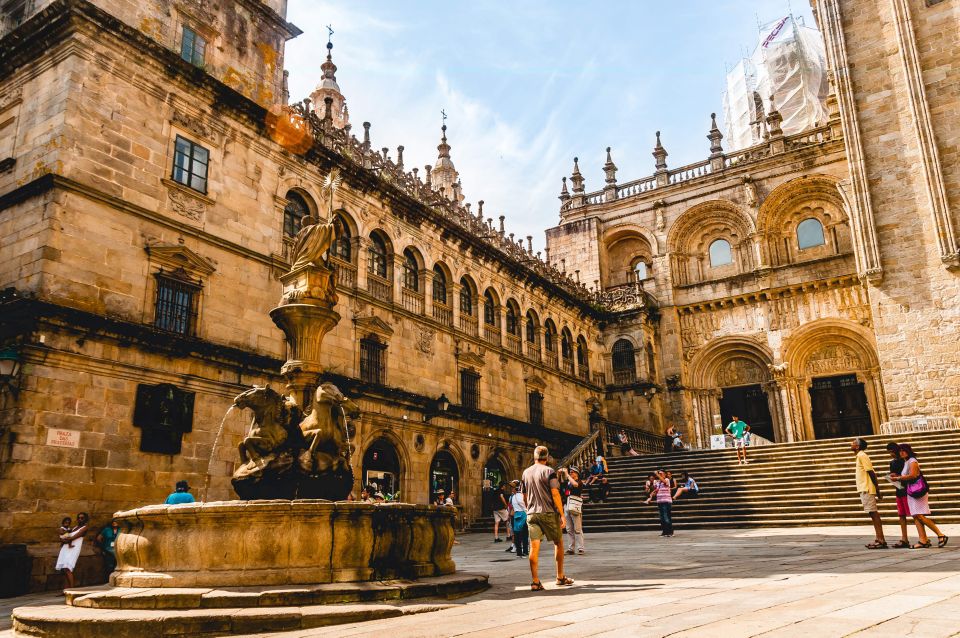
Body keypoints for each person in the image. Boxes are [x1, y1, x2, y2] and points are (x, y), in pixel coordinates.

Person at [521, 445, 573, 591]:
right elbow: (555, 493)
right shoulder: (549, 471)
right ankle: (560, 576)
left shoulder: (526, 472)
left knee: (534, 547)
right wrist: (562, 514)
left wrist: (528, 508)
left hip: (531, 514)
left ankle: (535, 581)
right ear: (547, 457)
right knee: (558, 542)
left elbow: (524, 495)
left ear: (535, 456)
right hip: (548, 512)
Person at [894, 443, 948, 549]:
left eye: (903, 450)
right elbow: (907, 476)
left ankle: (941, 535)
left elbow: (913, 475)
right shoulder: (906, 462)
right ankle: (923, 540)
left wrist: (899, 478)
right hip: (911, 491)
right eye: (900, 450)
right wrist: (897, 476)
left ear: (909, 451)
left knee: (919, 516)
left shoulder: (912, 461)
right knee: (915, 516)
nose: (901, 452)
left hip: (918, 491)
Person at [852, 438, 886, 549]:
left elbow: (871, 472)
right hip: (863, 488)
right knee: (872, 513)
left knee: (874, 513)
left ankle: (881, 540)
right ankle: (878, 538)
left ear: (857, 446)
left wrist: (878, 489)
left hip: (867, 488)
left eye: (853, 443)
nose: (850, 444)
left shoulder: (862, 455)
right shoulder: (859, 456)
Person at [886, 442, 911, 548]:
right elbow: (893, 475)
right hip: (899, 490)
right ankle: (904, 538)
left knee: (915, 515)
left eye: (892, 451)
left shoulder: (904, 461)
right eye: (889, 452)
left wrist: (898, 476)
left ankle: (922, 537)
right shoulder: (892, 463)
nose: (891, 454)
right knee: (901, 515)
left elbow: (908, 475)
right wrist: (891, 477)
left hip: (907, 490)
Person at [56, 512, 89, 591]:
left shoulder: (85, 527)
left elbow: (74, 537)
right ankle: (65, 590)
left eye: (82, 518)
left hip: (74, 548)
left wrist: (66, 539)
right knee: (64, 569)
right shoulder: (75, 527)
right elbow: (67, 534)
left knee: (68, 569)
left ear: (85, 519)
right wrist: (62, 538)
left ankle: (72, 590)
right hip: (66, 548)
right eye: (78, 518)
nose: (80, 519)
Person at [562, 467, 585, 555]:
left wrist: (567, 475)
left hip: (575, 505)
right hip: (567, 505)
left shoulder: (579, 482)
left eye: (572, 472)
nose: (570, 473)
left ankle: (580, 548)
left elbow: (575, 485)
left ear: (577, 474)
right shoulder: (568, 482)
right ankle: (571, 548)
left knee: (577, 528)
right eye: (570, 472)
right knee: (569, 529)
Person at [645, 470, 674, 536]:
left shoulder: (667, 480)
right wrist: (650, 497)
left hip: (666, 501)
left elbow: (664, 482)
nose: (659, 475)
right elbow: (655, 491)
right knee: (662, 518)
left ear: (664, 475)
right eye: (659, 474)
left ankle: (670, 532)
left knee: (666, 517)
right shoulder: (658, 483)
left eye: (661, 474)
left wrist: (657, 474)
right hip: (660, 501)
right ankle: (664, 532)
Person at [510, 482, 529, 559]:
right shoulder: (521, 496)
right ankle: (524, 552)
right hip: (523, 515)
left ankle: (519, 552)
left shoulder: (513, 497)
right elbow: (524, 505)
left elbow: (513, 507)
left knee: (517, 535)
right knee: (524, 535)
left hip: (516, 516)